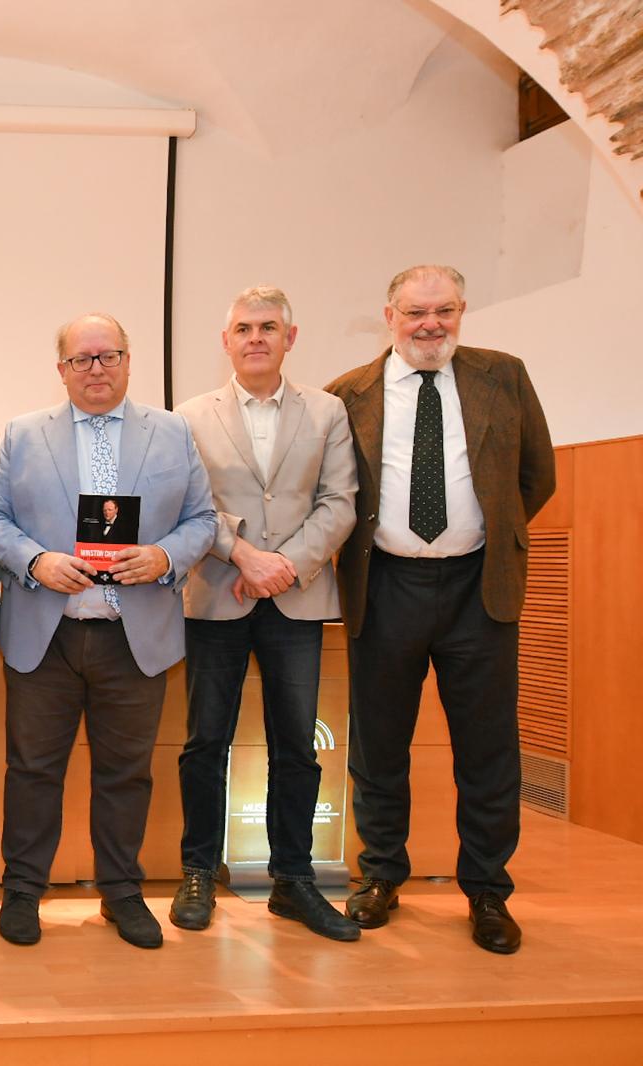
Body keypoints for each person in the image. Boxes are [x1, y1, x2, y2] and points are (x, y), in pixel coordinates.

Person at [326, 265, 554, 954]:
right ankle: (380, 876)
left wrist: (489, 534)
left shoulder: (503, 376)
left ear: (461, 311)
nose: (432, 324)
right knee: (378, 746)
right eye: (416, 312)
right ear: (388, 315)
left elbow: (536, 475)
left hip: (479, 591)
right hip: (385, 586)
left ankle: (487, 890)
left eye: (445, 311)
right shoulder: (349, 393)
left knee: (488, 751)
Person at [0, 313, 215, 949]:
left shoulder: (172, 432)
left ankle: (121, 892)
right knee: (31, 770)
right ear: (61, 371)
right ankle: (23, 889)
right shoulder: (25, 434)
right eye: (81, 360)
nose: (96, 369)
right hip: (45, 634)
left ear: (129, 361)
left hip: (134, 635)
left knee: (126, 772)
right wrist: (36, 561)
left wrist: (165, 557)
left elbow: (201, 519)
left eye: (108, 356)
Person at [172, 286, 359, 941]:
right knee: (204, 744)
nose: (256, 337)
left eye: (269, 327)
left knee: (295, 747)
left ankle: (293, 879)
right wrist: (246, 556)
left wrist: (286, 566)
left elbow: (339, 501)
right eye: (244, 327)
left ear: (290, 337)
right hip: (217, 594)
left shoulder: (329, 412)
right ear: (226, 340)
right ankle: (198, 871)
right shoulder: (190, 415)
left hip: (297, 597)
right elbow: (186, 502)